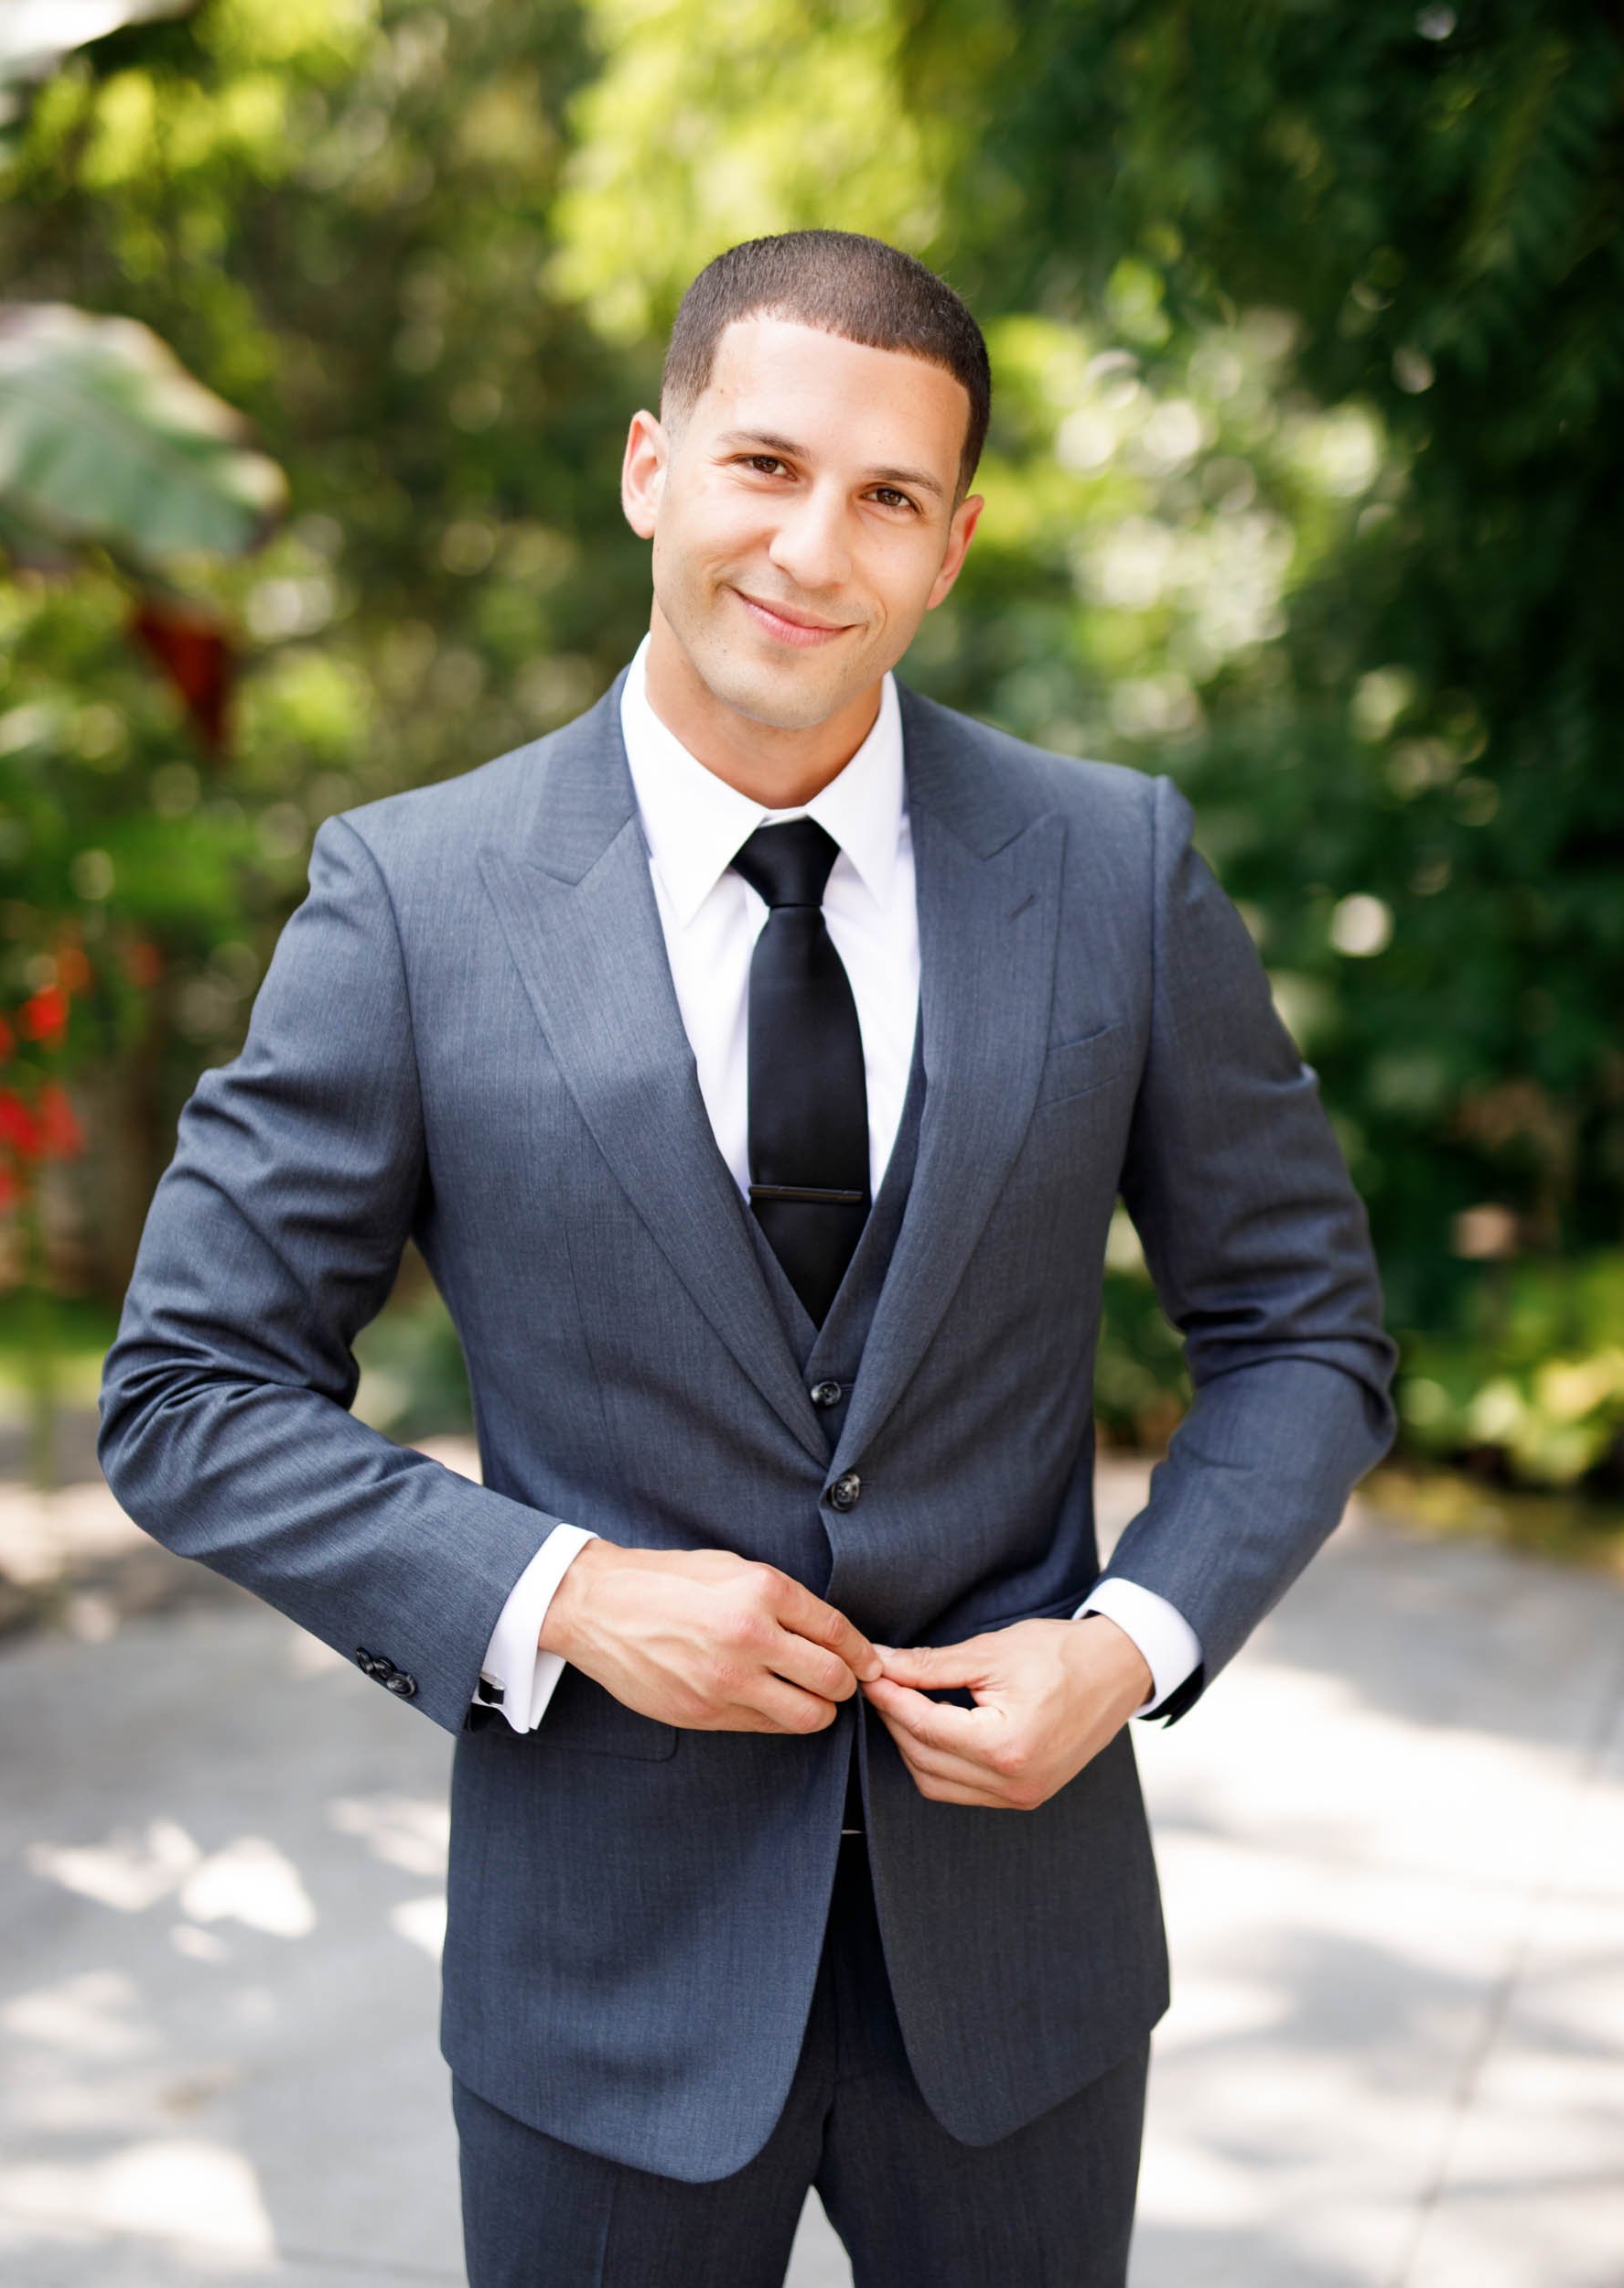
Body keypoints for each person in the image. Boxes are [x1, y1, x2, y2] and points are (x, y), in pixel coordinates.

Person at [98, 228, 1399, 2286]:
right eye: (765, 465)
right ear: (650, 465)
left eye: (888, 496)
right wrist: (570, 1593)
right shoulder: (414, 900)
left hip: (1026, 1988)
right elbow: (184, 1394)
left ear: (952, 544)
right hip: (597, 1992)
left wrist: (1131, 1636)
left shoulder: (1110, 865)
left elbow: (1303, 1326)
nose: (813, 546)